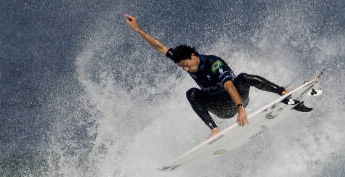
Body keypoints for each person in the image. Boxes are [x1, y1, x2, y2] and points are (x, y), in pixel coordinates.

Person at [125, 14, 304, 139]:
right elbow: (161, 48)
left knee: (244, 77)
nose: (186, 70)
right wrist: (138, 29)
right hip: (221, 108)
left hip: (237, 99)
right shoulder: (184, 60)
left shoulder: (214, 63)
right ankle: (214, 130)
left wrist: (240, 107)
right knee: (192, 93)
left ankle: (282, 91)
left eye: (186, 65)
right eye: (183, 68)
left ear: (193, 56)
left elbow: (229, 85)